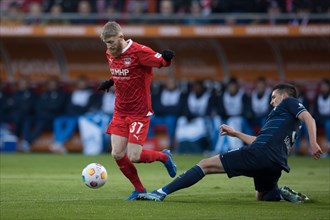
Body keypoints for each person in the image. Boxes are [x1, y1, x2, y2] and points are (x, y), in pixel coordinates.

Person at [137, 83, 323, 203]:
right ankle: (279, 193)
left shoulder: (289, 102)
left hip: (259, 155)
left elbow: (310, 118)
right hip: (275, 163)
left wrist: (313, 143)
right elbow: (262, 140)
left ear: (284, 96)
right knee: (262, 196)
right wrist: (235, 133)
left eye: (274, 97)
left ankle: (160, 193)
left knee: (205, 165)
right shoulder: (286, 121)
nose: (272, 101)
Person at [97, 21, 177, 200]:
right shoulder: (110, 53)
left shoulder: (140, 51)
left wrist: (167, 58)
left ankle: (163, 157)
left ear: (120, 37)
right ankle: (139, 189)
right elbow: (120, 70)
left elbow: (161, 62)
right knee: (117, 153)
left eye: (111, 42)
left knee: (134, 156)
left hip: (139, 112)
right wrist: (111, 81)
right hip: (120, 111)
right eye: (106, 43)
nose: (108, 47)